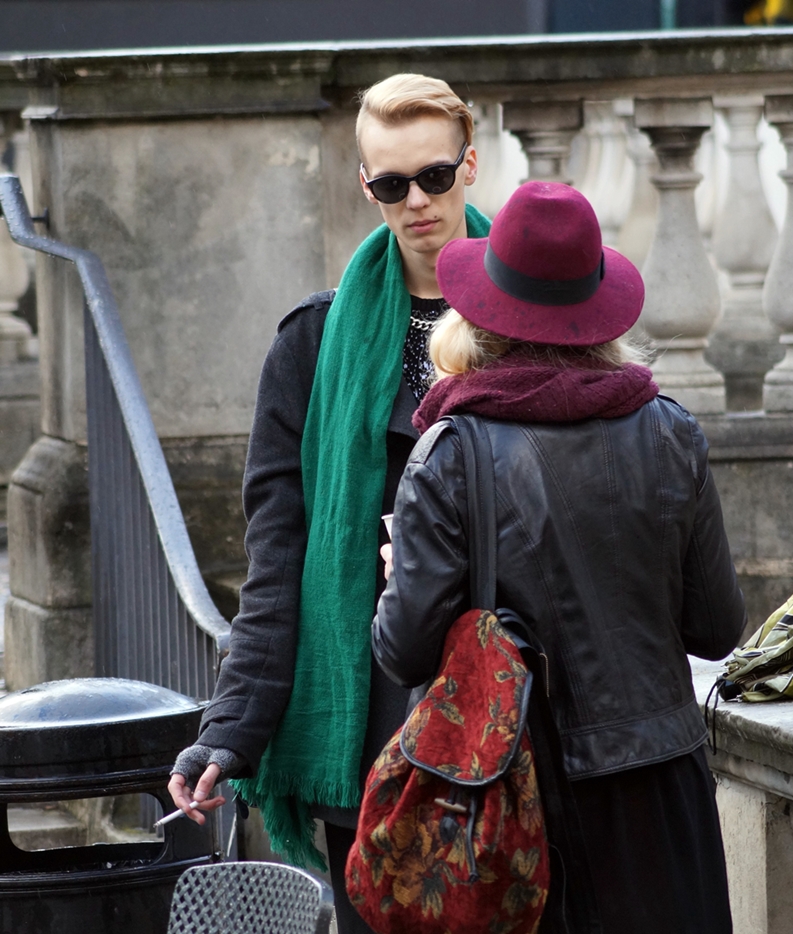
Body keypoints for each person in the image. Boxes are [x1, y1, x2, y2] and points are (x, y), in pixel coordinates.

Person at [372, 181, 747, 934]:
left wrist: (395, 579)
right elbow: (716, 629)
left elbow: (403, 650)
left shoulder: (450, 452)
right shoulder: (670, 431)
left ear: (481, 312)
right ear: (596, 310)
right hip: (665, 794)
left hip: (520, 805)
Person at [166, 73, 487, 930]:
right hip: (369, 722)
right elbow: (278, 560)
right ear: (365, 186)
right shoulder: (311, 345)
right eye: (391, 184)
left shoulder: (536, 325)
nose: (416, 201)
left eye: (435, 176)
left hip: (505, 716)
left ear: (470, 165)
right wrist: (228, 731)